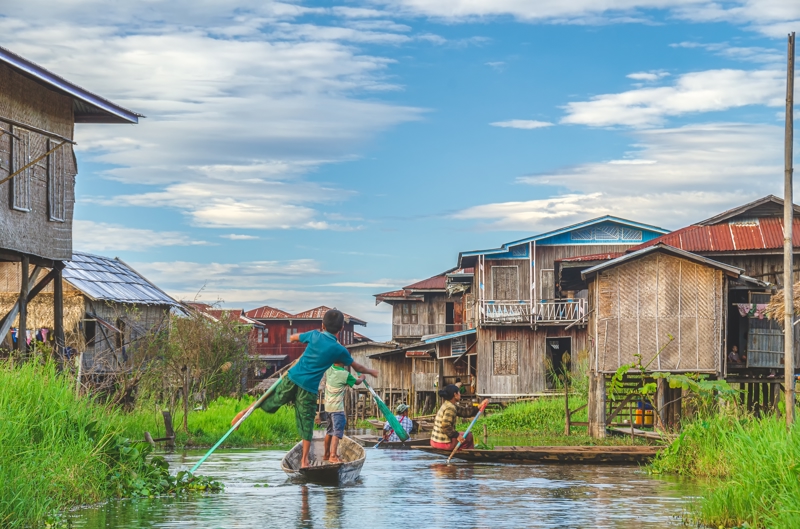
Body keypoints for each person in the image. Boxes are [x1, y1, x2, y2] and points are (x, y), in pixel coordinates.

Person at [232, 309, 379, 468]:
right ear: (341, 328)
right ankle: (304, 462)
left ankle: (244, 412)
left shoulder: (314, 335)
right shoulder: (340, 350)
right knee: (307, 421)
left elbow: (294, 337)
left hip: (292, 377)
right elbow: (357, 366)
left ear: (322, 325)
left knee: (271, 398)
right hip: (308, 388)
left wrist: (298, 340)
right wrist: (371, 371)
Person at [323, 362, 365, 463]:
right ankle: (333, 456)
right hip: (337, 408)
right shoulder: (345, 374)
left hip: (328, 407)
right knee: (337, 432)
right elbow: (357, 382)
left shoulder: (329, 369)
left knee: (329, 431)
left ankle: (326, 454)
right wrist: (362, 377)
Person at [430, 384, 475, 451]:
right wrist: (457, 436)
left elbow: (465, 412)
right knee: (469, 436)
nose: (460, 394)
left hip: (434, 441)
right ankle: (463, 452)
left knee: (464, 435)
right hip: (443, 443)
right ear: (455, 394)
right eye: (459, 392)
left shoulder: (447, 404)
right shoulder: (450, 408)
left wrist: (479, 407)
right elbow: (446, 426)